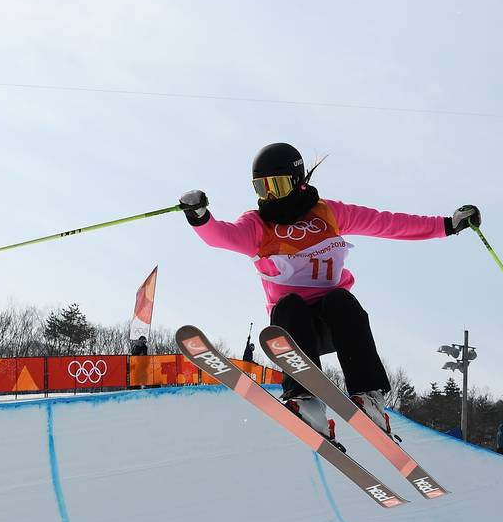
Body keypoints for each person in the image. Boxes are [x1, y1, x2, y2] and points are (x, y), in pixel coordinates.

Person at [180, 142, 482, 439]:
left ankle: (370, 397)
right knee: (288, 304)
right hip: (295, 330)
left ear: (297, 183)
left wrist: (446, 225)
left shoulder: (328, 213)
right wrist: (199, 216)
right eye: (262, 188)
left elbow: (387, 223)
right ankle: (306, 399)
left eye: (278, 185)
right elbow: (222, 236)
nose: (271, 196)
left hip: (334, 323)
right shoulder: (258, 225)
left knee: (340, 299)